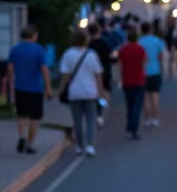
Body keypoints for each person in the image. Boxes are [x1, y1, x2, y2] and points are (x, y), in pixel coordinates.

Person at [3, 25, 52, 154]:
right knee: (34, 118)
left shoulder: (15, 50)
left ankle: (22, 136)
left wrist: (11, 84)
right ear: (34, 35)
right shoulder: (39, 50)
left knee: (22, 115)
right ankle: (30, 143)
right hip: (35, 88)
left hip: (20, 87)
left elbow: (10, 69)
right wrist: (48, 87)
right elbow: (44, 69)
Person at [59, 29, 106, 156]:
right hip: (90, 92)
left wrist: (61, 89)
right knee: (91, 119)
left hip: (74, 92)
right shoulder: (91, 55)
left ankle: (79, 146)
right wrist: (101, 91)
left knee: (77, 121)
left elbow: (65, 75)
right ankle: (90, 145)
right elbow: (98, 75)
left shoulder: (68, 54)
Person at [118, 26, 146, 139]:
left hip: (127, 80)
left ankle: (129, 123)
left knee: (129, 104)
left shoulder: (123, 50)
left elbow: (120, 65)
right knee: (137, 105)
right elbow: (144, 62)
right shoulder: (140, 49)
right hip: (139, 80)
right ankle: (134, 126)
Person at [138, 21, 166, 127]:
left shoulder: (139, 42)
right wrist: (162, 68)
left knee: (145, 97)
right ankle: (155, 118)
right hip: (155, 71)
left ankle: (147, 119)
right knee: (155, 97)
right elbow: (161, 57)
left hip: (143, 72)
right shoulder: (157, 41)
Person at [87, 23, 113, 126]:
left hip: (90, 73)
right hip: (104, 72)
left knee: (92, 94)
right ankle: (99, 113)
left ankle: (93, 113)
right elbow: (110, 57)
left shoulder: (88, 45)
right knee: (102, 93)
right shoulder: (105, 43)